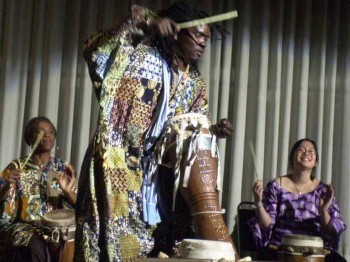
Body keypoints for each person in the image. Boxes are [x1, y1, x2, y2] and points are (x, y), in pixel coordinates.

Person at [74, 1, 234, 261]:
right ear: (176, 31)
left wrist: (214, 129)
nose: (204, 43)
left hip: (157, 176)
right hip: (116, 160)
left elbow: (188, 128)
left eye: (207, 38)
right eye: (197, 35)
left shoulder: (195, 82)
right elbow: (96, 49)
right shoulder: (137, 56)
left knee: (157, 245)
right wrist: (146, 21)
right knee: (110, 242)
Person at [249, 138, 346, 261]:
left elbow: (331, 232)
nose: (306, 153)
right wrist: (259, 204)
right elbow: (267, 225)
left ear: (316, 162)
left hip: (315, 253)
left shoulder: (323, 190)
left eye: (311, 151)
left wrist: (324, 211)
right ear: (292, 158)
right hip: (281, 249)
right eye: (301, 150)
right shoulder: (275, 185)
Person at [0, 116, 77, 262]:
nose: (47, 135)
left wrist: (68, 192)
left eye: (51, 132)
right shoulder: (16, 167)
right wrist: (6, 185)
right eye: (40, 131)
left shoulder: (63, 168)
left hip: (56, 229)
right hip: (25, 227)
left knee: (66, 246)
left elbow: (79, 205)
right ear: (30, 139)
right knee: (37, 246)